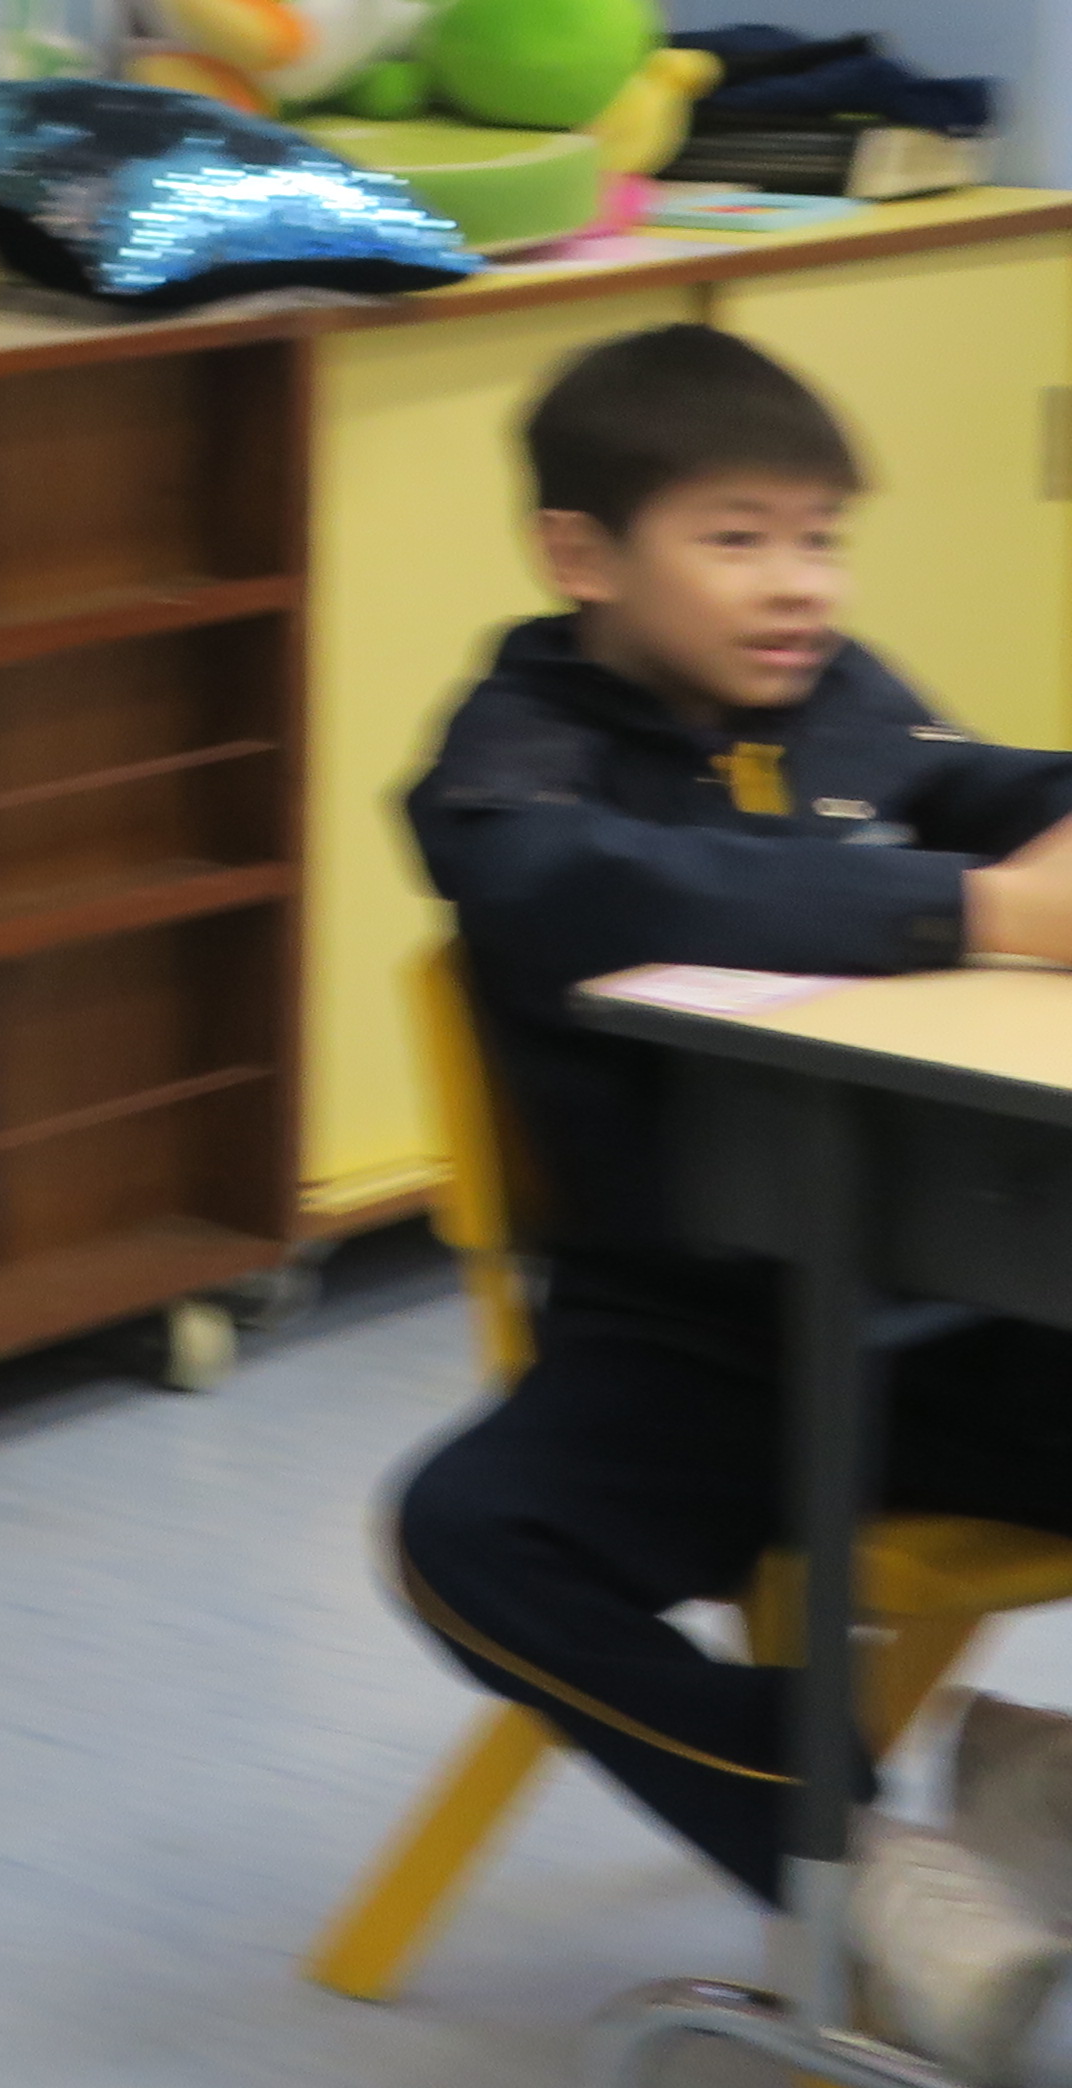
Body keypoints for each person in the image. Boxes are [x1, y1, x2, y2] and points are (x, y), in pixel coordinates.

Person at [388, 327, 1072, 2073]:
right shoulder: (515, 756)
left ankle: (1036, 1786)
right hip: (695, 1344)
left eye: (823, 538)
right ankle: (847, 1849)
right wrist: (979, 912)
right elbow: (592, 890)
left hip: (945, 1317)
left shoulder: (849, 703)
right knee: (469, 1539)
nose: (799, 586)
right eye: (738, 538)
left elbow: (1000, 784)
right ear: (583, 555)